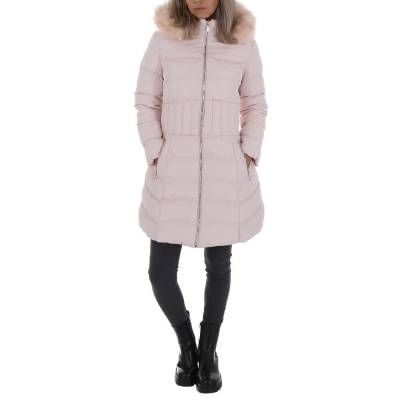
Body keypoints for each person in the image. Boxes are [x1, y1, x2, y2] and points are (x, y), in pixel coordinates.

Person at [134, 0, 268, 393]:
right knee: (160, 272)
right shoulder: (163, 40)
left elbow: (255, 104)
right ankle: (187, 346)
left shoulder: (243, 42)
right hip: (172, 171)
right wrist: (156, 152)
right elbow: (146, 100)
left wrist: (248, 151)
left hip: (225, 173)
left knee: (219, 265)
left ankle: (209, 353)